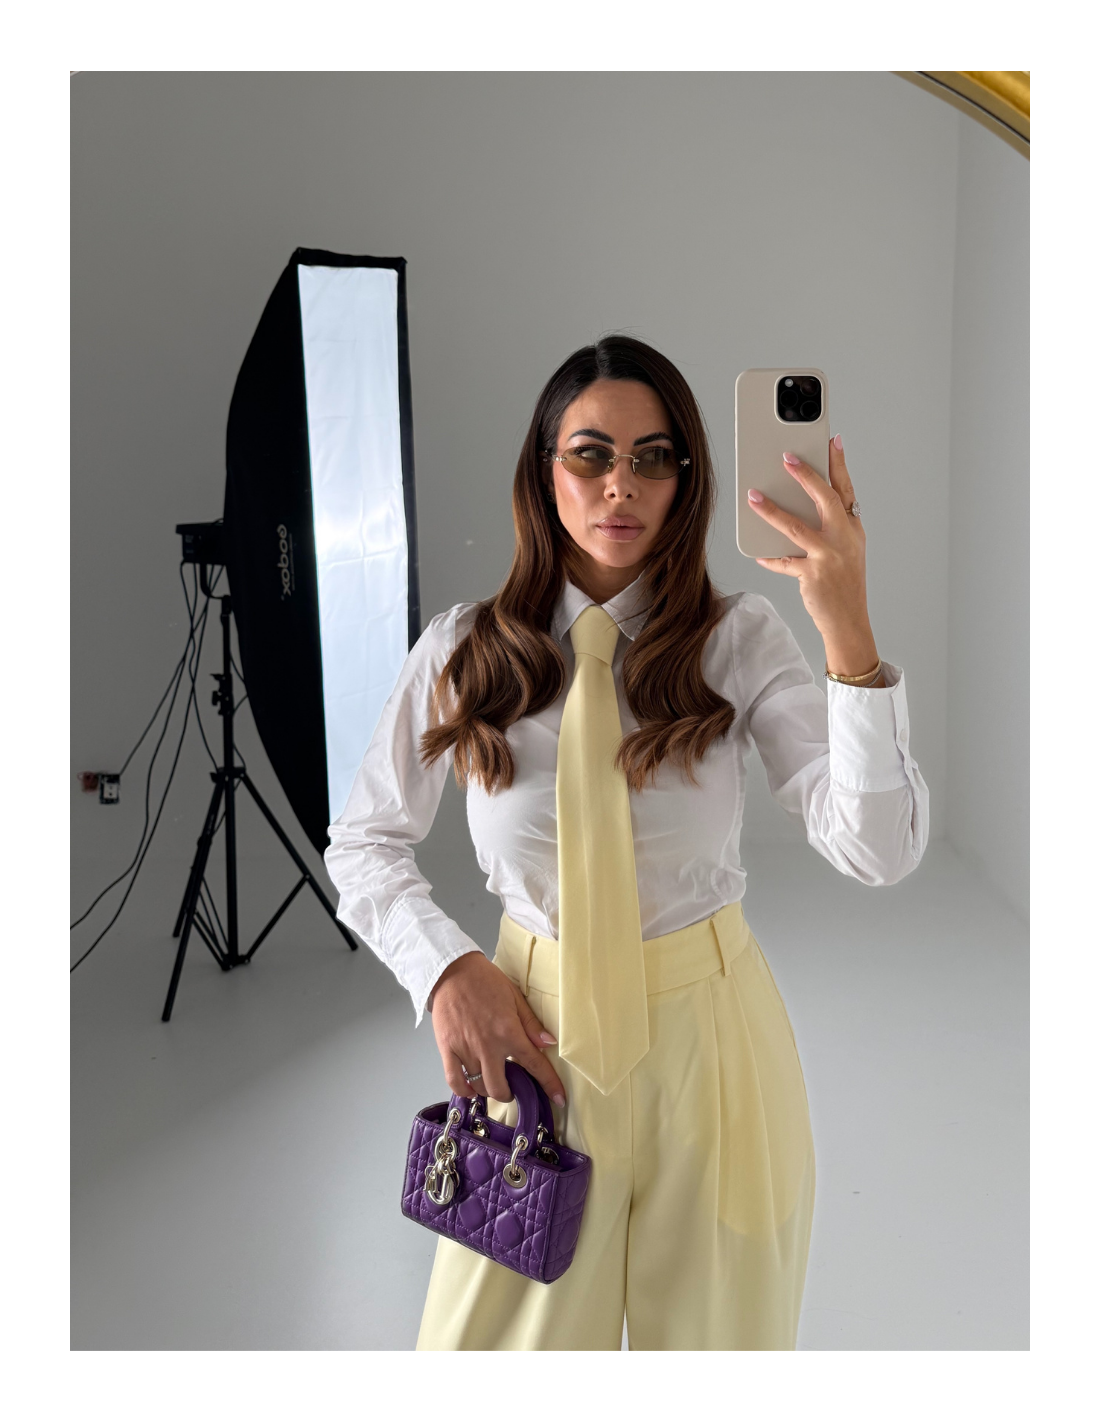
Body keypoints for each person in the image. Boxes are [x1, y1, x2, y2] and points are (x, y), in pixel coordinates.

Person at [324, 335, 929, 1350]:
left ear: (686, 480)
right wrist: (447, 973)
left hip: (715, 1053)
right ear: (542, 471)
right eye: (590, 454)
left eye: (654, 458)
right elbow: (363, 842)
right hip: (532, 1048)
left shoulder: (737, 641)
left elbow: (877, 849)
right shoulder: (464, 649)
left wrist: (849, 634)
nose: (621, 485)